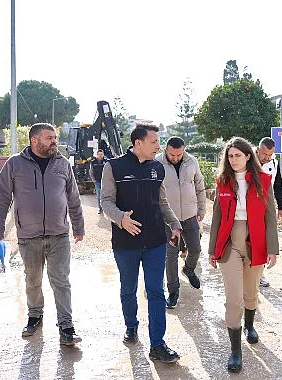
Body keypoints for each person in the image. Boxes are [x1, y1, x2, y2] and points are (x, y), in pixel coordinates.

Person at [0, 123, 85, 346]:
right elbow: (1, 198)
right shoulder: (15, 164)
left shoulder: (62, 164)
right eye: (49, 138)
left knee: (61, 280)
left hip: (59, 234)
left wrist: (78, 227)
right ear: (34, 140)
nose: (54, 141)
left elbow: (73, 198)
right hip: (28, 235)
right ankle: (34, 316)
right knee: (32, 280)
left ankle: (66, 325)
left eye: (55, 137)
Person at [100, 123, 182, 363]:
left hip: (156, 240)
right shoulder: (113, 167)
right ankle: (131, 325)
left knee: (156, 290)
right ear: (138, 143)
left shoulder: (158, 168)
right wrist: (120, 219)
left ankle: (157, 344)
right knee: (128, 288)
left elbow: (163, 202)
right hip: (126, 242)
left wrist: (175, 224)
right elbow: (105, 201)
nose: (159, 146)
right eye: (155, 142)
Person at [208, 137, 279, 373]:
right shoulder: (223, 181)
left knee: (251, 291)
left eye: (238, 155)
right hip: (230, 243)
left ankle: (250, 326)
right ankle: (236, 351)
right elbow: (217, 216)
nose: (233, 159)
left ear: (249, 156)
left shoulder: (263, 180)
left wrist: (273, 248)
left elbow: (270, 216)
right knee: (233, 297)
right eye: (230, 156)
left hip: (256, 240)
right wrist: (212, 250)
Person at [155, 136, 206, 308]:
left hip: (190, 215)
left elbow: (199, 186)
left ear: (184, 150)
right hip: (169, 219)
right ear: (166, 150)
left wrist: (201, 208)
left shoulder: (192, 162)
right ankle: (173, 291)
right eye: (172, 155)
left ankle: (189, 269)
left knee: (196, 249)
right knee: (171, 256)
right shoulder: (156, 163)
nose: (175, 158)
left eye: (179, 155)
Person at [255, 137, 282, 288]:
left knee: (265, 240)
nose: (267, 157)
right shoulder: (247, 161)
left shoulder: (274, 163)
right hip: (249, 207)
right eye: (264, 154)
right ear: (258, 150)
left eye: (270, 154)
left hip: (266, 206)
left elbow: (278, 184)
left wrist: (281, 206)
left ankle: (260, 274)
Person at [89, 149, 108, 214]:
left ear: (103, 154)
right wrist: (94, 180)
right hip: (97, 182)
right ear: (97, 155)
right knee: (99, 196)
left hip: (105, 181)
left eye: (101, 154)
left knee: (106, 195)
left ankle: (106, 209)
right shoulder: (93, 162)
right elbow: (91, 172)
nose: (100, 155)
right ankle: (100, 209)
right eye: (99, 154)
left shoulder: (107, 161)